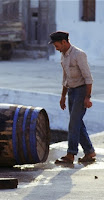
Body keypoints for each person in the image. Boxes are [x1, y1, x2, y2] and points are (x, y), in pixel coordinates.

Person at [49, 31, 96, 164]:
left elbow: (88, 78)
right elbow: (66, 78)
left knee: (74, 123)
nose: (56, 48)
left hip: (82, 91)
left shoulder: (79, 54)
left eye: (56, 45)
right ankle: (89, 152)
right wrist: (63, 96)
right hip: (71, 92)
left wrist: (88, 97)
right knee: (77, 123)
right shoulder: (63, 56)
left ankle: (71, 155)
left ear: (64, 42)